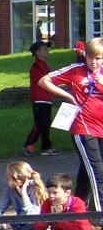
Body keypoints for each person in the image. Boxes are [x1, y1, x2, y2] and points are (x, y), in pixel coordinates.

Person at [38, 36, 103, 212]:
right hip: (84, 127)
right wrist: (67, 95)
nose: (94, 63)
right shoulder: (76, 70)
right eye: (90, 58)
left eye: (98, 58)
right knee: (98, 172)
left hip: (101, 128)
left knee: (86, 170)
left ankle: (76, 210)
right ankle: (100, 214)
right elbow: (44, 81)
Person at [26, 172, 95, 230]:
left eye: (55, 193)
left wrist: (59, 219)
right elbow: (38, 229)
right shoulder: (47, 203)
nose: (51, 196)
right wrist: (49, 218)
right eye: (49, 192)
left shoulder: (77, 203)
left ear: (67, 193)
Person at [24, 40, 60, 156]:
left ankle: (46, 146)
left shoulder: (46, 66)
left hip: (47, 98)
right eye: (44, 49)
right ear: (37, 53)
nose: (47, 51)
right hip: (39, 98)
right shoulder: (36, 67)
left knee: (46, 123)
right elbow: (44, 81)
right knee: (40, 123)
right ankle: (29, 144)